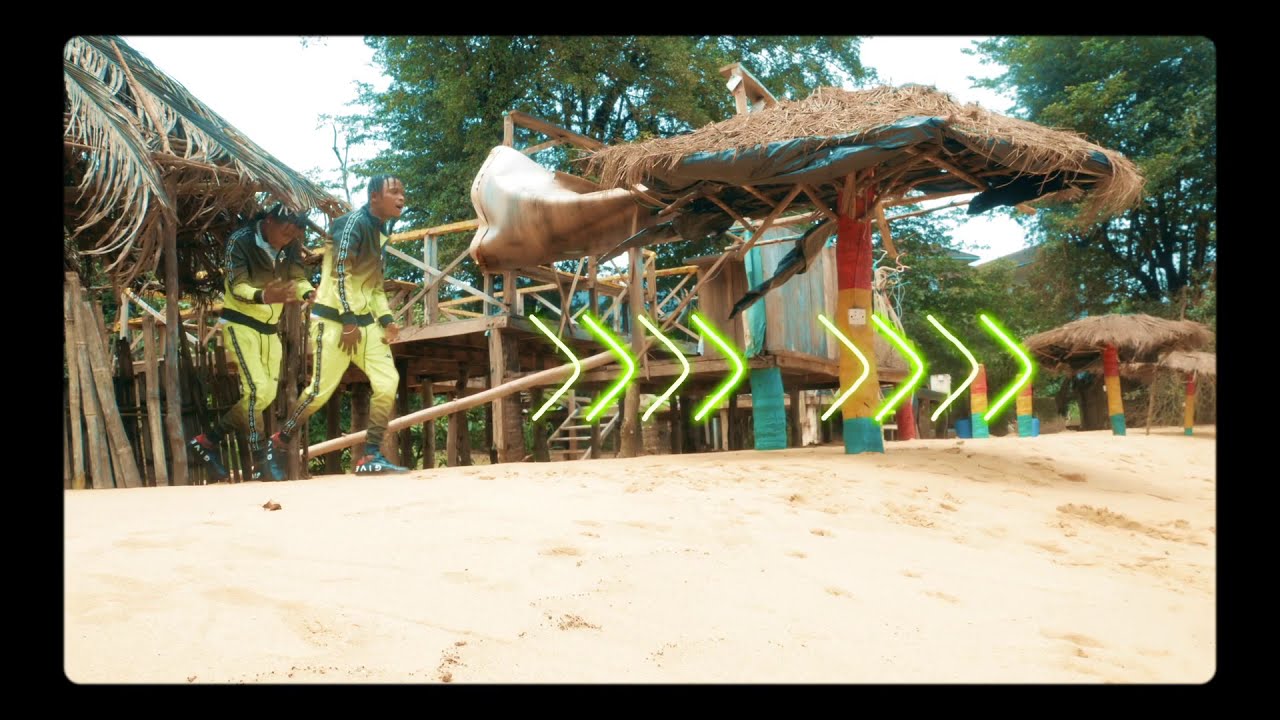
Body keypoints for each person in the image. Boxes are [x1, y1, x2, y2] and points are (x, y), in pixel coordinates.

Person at [271, 175, 410, 474]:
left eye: (403, 192)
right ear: (374, 197)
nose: (401, 197)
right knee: (320, 391)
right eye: (394, 192)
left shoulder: (381, 232)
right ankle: (280, 440)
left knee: (388, 382)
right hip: (334, 322)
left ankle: (370, 455)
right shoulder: (350, 225)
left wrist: (386, 319)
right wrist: (348, 320)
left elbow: (373, 285)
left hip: (365, 323)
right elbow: (339, 274)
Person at [189, 203, 314, 482]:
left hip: (270, 330)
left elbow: (297, 277)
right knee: (257, 390)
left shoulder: (291, 244)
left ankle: (207, 441)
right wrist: (263, 296)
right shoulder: (240, 241)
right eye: (286, 232)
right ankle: (261, 461)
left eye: (294, 235)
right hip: (241, 325)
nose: (289, 239)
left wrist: (308, 293)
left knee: (264, 395)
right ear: (269, 221)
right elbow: (237, 286)